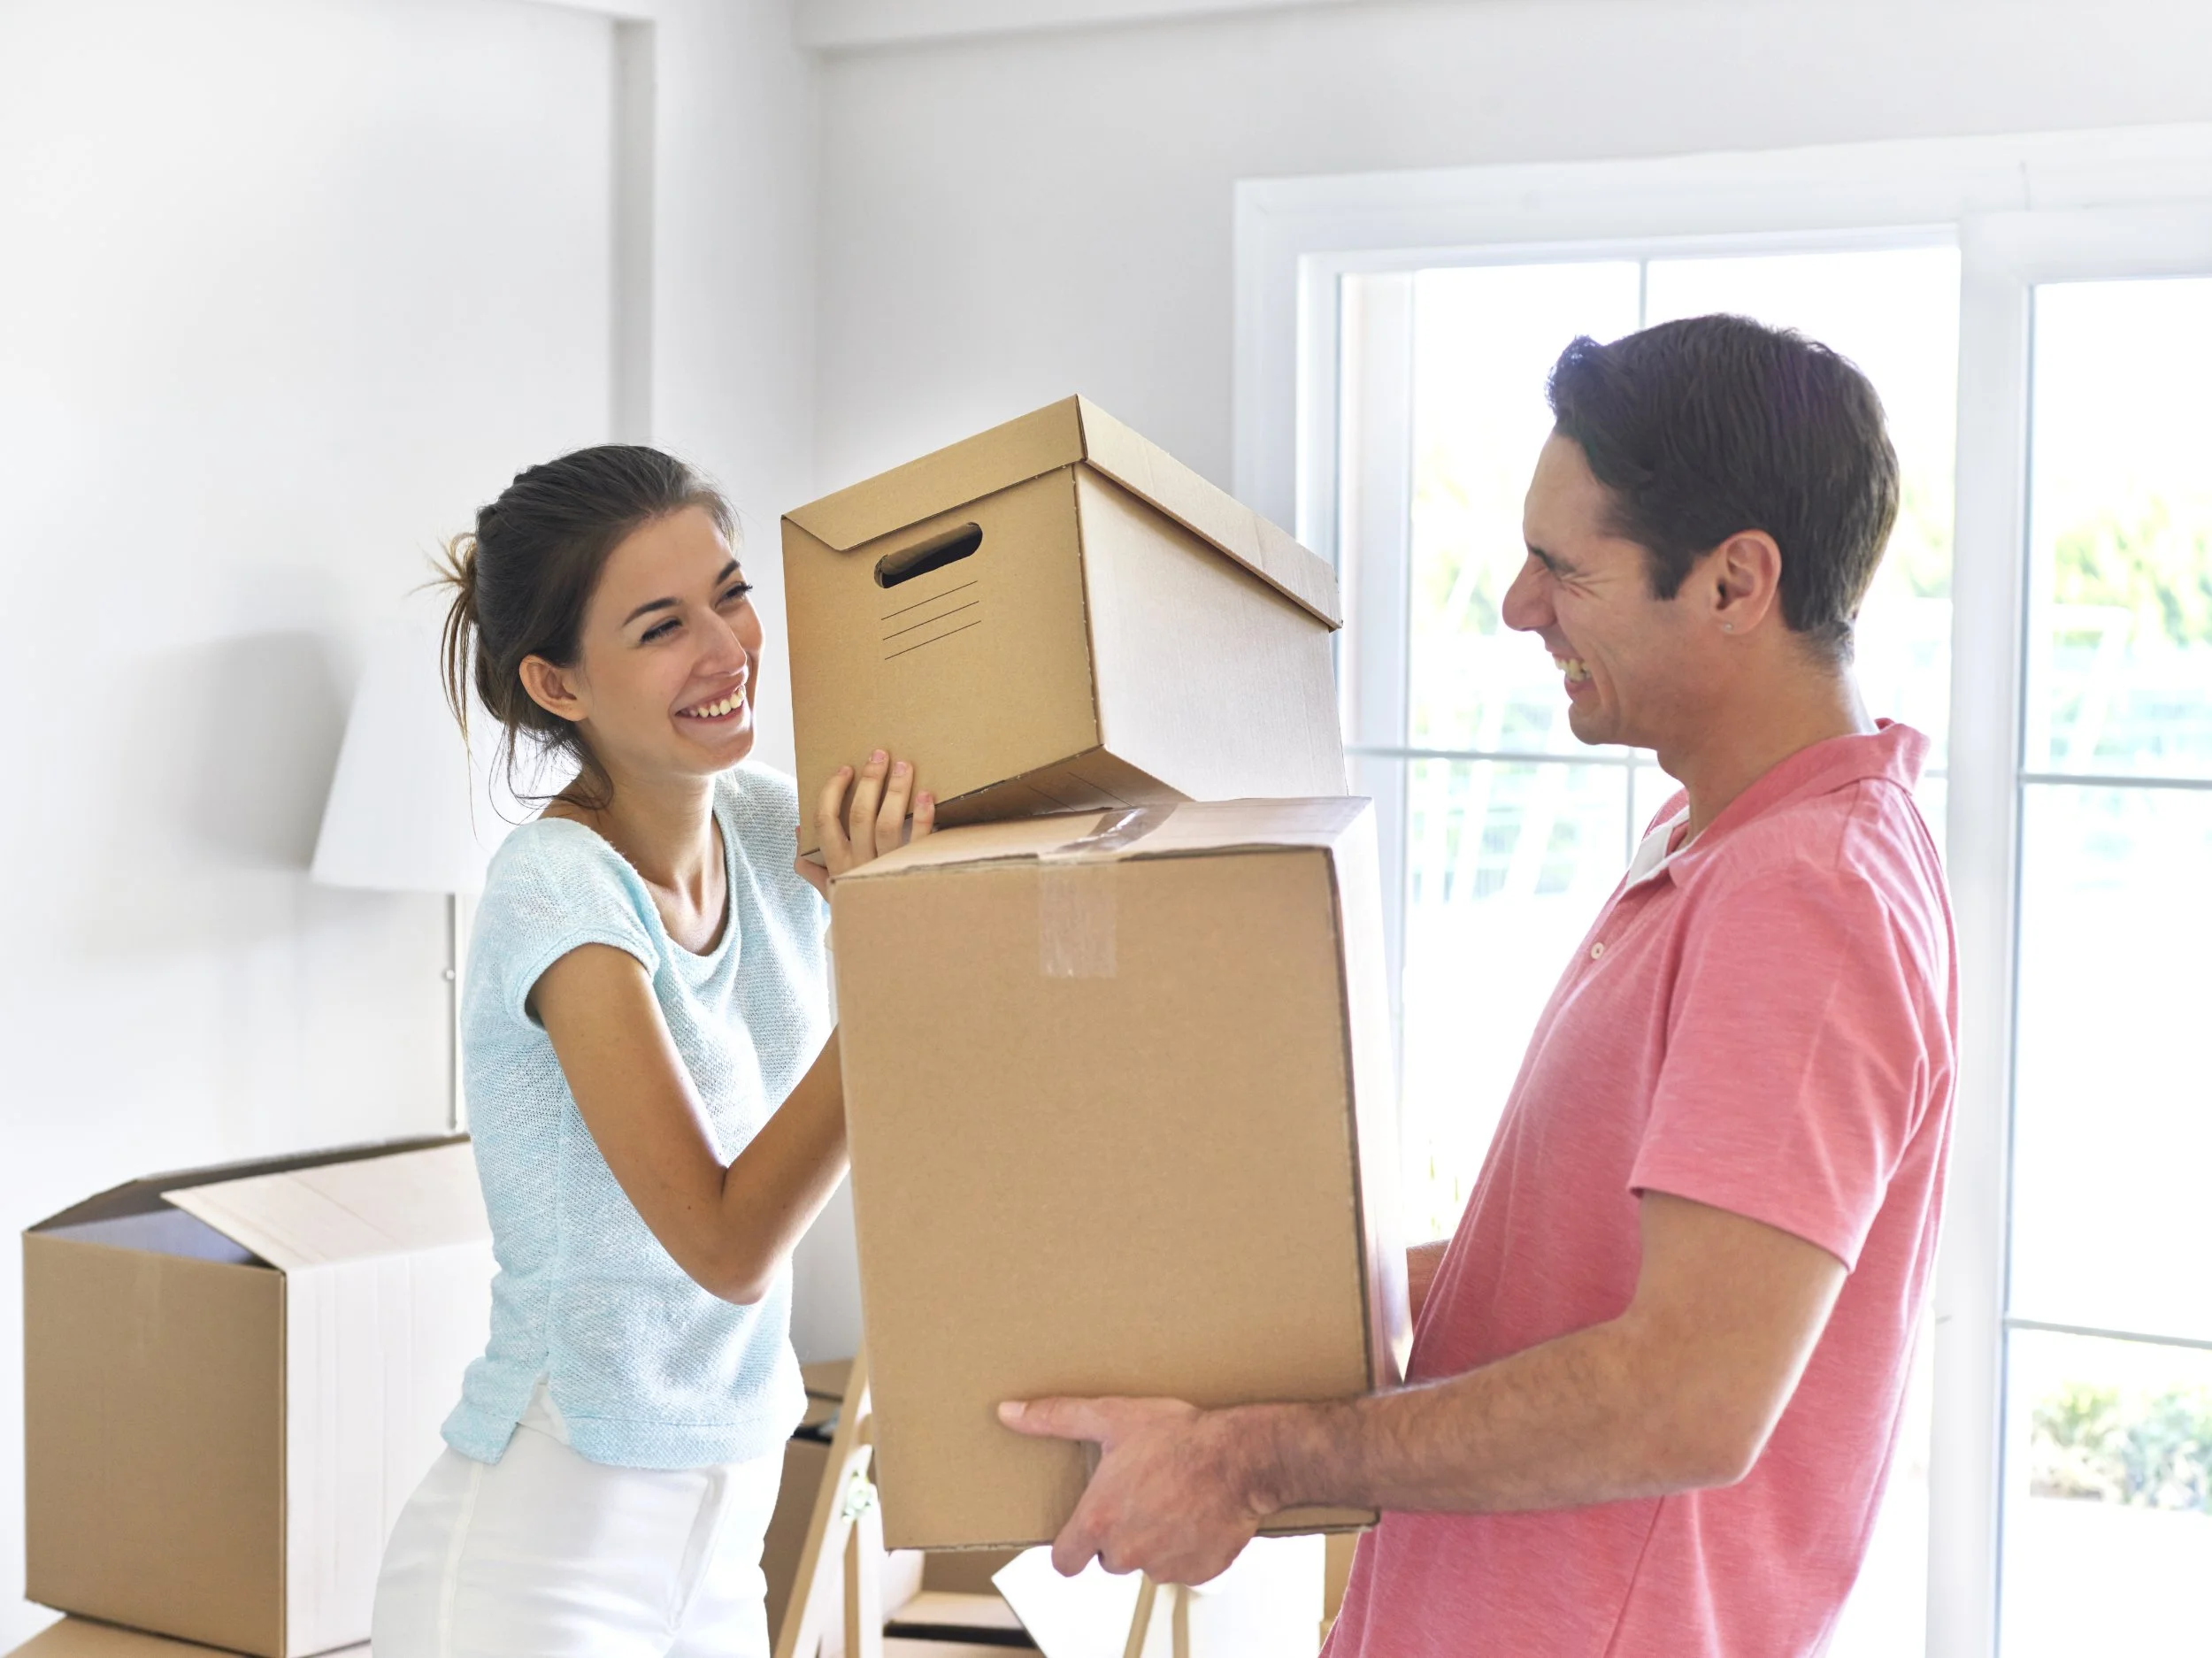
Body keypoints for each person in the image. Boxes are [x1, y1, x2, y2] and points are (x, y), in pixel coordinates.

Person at [1000, 315, 1957, 1657]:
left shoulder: (1807, 898)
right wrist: (1260, 1333)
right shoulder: (1720, 848)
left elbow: (1684, 1394)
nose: (1518, 604)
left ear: (1738, 582)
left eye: (1566, 568)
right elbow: (1569, 1284)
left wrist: (1264, 1461)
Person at [372, 447, 926, 1656]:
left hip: (727, 1528)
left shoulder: (770, 824)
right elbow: (725, 1242)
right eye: (662, 625)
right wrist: (896, 962)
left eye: (730, 593)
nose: (727, 649)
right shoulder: (555, 889)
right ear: (557, 684)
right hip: (544, 1549)